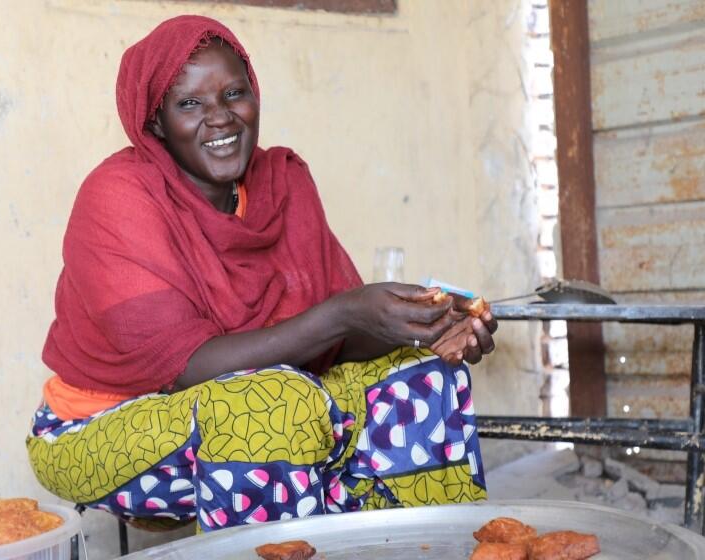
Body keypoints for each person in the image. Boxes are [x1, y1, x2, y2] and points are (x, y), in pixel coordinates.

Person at [27, 15, 497, 532]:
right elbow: (188, 368)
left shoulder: (283, 183)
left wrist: (422, 326)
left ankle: (413, 544)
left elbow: (332, 344)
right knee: (273, 403)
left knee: (419, 374)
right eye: (190, 104)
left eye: (234, 94)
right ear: (156, 121)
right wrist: (344, 313)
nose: (222, 118)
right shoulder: (118, 197)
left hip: (271, 396)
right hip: (99, 426)